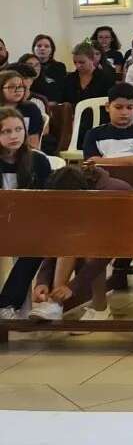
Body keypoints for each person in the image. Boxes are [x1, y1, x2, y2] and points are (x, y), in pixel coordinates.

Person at [26, 164, 133, 323]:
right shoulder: (71, 193)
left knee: (91, 249)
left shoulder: (111, 194)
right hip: (96, 238)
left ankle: (100, 309)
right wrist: (42, 280)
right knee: (70, 239)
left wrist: (73, 287)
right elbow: (60, 236)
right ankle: (55, 302)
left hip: (132, 235)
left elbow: (106, 250)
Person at [0, 108, 52, 320]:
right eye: (6, 131)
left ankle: (7, 303)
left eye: (19, 129)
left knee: (36, 245)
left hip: (26, 225)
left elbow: (47, 201)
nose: (14, 136)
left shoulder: (38, 160)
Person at [84, 83, 133, 166]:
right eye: (118, 107)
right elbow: (92, 162)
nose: (124, 113)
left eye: (129, 107)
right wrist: (131, 161)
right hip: (105, 177)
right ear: (107, 107)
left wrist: (104, 161)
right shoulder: (94, 134)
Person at [0, 70, 44, 150]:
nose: (17, 90)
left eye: (20, 87)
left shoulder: (31, 109)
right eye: (12, 87)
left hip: (24, 153)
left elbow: (33, 142)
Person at [62, 41, 116, 106]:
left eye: (82, 62)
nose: (77, 66)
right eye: (75, 62)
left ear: (92, 59)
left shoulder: (106, 79)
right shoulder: (69, 79)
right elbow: (63, 101)